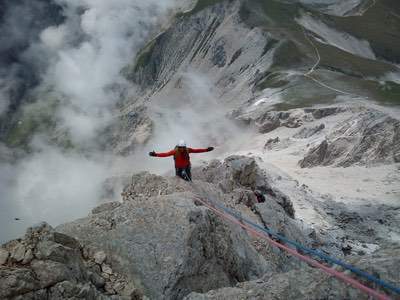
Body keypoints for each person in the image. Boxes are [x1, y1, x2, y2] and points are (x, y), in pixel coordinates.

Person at [149, 140, 214, 181]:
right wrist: (156, 154)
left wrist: (206, 150)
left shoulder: (187, 150)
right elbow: (165, 154)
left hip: (185, 166)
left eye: (183, 147)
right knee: (179, 179)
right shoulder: (175, 151)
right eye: (181, 147)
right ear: (179, 147)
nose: (182, 149)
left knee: (188, 178)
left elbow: (196, 150)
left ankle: (189, 185)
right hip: (179, 167)